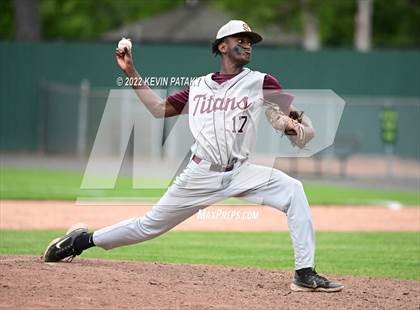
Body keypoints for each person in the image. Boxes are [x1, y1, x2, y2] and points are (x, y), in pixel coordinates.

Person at [43, 20, 343, 293]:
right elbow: (158, 109)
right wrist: (131, 72)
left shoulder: (262, 81)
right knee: (148, 227)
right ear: (222, 46)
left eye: (251, 41)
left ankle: (304, 273)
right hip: (200, 174)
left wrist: (292, 124)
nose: (248, 44)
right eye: (242, 38)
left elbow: (283, 116)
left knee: (294, 190)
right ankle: (79, 241)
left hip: (241, 171)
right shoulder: (198, 86)